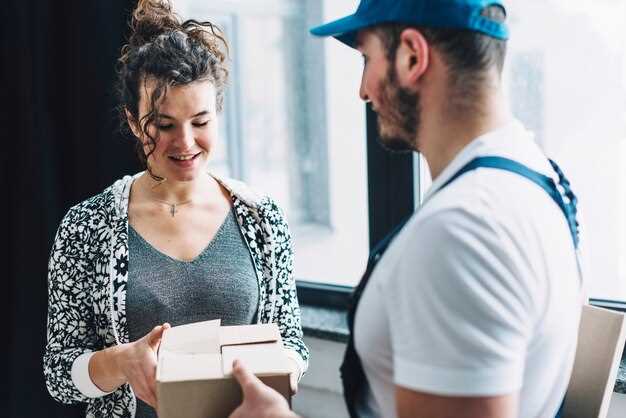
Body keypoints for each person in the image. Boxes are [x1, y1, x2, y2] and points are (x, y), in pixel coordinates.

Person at [229, 1, 585, 418]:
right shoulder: (538, 175)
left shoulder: (463, 230)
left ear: (412, 56)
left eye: (367, 59)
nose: (362, 90)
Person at [43, 1, 308, 417]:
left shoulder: (262, 219)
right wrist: (121, 362)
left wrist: (278, 375)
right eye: (164, 125)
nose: (185, 143)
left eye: (200, 122)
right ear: (133, 121)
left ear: (218, 112)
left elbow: (291, 340)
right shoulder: (85, 227)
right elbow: (59, 372)